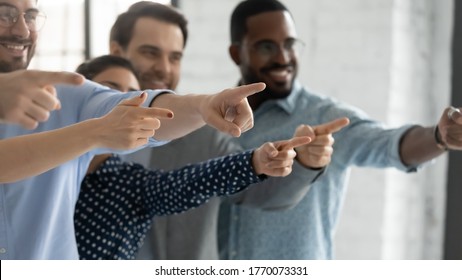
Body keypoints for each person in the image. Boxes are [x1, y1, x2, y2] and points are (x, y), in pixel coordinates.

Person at [0, 0, 266, 260]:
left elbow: (140, 108)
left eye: (31, 16)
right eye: (5, 13)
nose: (22, 31)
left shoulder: (68, 96)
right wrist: (93, 132)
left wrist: (201, 104)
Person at [214, 0, 462, 260]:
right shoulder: (216, 121)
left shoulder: (324, 118)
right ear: (236, 53)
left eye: (290, 44)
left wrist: (437, 138)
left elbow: (387, 144)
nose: (283, 58)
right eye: (266, 47)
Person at [107, 2, 347, 260]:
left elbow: (258, 190)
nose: (164, 68)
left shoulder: (203, 136)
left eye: (175, 57)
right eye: (150, 53)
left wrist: (304, 163)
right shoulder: (79, 127)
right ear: (117, 51)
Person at [72, 55, 311, 260]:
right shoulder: (49, 162)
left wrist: (253, 162)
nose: (123, 104)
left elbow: (190, 183)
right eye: (109, 91)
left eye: (132, 96)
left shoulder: (129, 185)